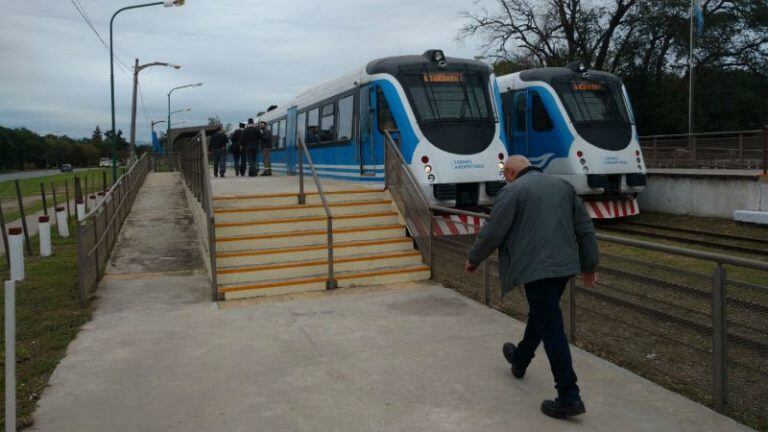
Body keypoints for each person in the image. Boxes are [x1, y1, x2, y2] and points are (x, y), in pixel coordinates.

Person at [465, 156, 599, 420]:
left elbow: (494, 231)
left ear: (512, 172)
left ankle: (569, 395)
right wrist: (589, 264)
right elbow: (584, 227)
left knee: (551, 327)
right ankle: (520, 358)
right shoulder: (563, 186)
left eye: (505, 174)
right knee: (542, 314)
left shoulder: (512, 191)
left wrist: (474, 258)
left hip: (536, 270)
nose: (505, 179)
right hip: (564, 267)